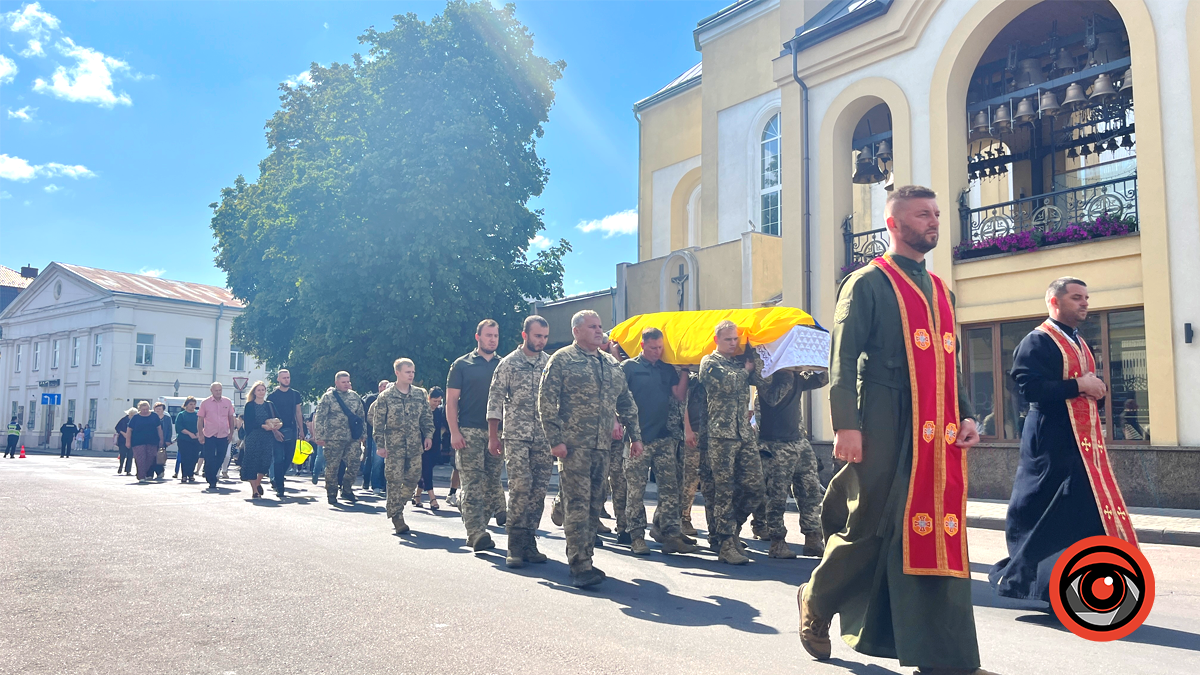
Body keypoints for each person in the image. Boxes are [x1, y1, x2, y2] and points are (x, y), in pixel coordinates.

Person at [798, 185, 994, 675]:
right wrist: (846, 426)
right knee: (871, 523)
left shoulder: (943, 291)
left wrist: (967, 414)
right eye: (922, 214)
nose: (933, 221)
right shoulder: (866, 282)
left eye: (936, 214)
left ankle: (947, 658)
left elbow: (952, 363)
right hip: (882, 416)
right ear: (894, 224)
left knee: (940, 532)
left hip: (940, 424)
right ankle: (816, 602)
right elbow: (841, 358)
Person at [989, 278, 1137, 604]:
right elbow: (1028, 390)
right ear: (1055, 302)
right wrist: (1080, 386)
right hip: (1049, 443)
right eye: (1076, 298)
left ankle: (1075, 585)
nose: (1085, 303)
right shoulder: (1037, 340)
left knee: (1081, 514)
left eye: (1086, 297)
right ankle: (1027, 580)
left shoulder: (1080, 340)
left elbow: (1084, 387)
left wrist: (1093, 390)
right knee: (1044, 515)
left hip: (1080, 447)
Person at [539, 309, 642, 588]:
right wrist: (555, 441)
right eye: (593, 327)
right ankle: (579, 566)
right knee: (578, 505)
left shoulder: (610, 364)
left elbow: (626, 403)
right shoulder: (562, 360)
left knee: (595, 505)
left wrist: (636, 437)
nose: (599, 331)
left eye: (600, 326)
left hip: (602, 448)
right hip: (573, 448)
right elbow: (546, 402)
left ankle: (587, 557)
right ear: (577, 331)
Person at [620, 327, 695, 555]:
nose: (657, 351)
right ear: (642, 345)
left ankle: (671, 535)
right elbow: (618, 398)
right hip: (637, 439)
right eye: (653, 348)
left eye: (660, 347)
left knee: (670, 490)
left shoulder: (666, 369)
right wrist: (618, 424)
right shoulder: (629, 368)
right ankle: (636, 536)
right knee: (636, 491)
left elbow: (679, 395)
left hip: (663, 438)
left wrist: (684, 370)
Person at [699, 320, 768, 565]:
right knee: (724, 490)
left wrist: (754, 357)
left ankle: (730, 530)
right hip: (721, 437)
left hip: (744, 435)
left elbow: (762, 380)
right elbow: (729, 384)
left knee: (755, 487)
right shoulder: (709, 363)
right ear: (717, 340)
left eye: (736, 339)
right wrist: (746, 369)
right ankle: (726, 543)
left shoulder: (740, 363)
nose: (733, 343)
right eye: (728, 339)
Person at [487, 315, 554, 568]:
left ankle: (529, 541)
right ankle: (514, 545)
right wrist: (493, 436)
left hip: (544, 437)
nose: (542, 341)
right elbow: (494, 400)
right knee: (520, 488)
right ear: (525, 335)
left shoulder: (550, 363)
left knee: (538, 491)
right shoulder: (508, 363)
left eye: (545, 337)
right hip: (515, 436)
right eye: (538, 336)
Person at [750, 368, 829, 558]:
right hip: (775, 444)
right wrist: (788, 371)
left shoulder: (797, 378)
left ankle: (812, 538)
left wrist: (818, 363)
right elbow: (773, 398)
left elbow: (822, 379)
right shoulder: (767, 376)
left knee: (810, 491)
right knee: (776, 496)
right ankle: (777, 542)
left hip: (799, 442)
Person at [447, 319, 505, 550]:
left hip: (497, 432)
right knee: (472, 482)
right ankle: (476, 532)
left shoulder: (504, 365)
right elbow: (451, 401)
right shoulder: (462, 365)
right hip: (469, 431)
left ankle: (477, 523)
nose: (492, 339)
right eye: (488, 335)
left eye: (496, 335)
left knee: (492, 484)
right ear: (478, 337)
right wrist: (454, 432)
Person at [372, 358, 434, 533]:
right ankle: (397, 517)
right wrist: (380, 445)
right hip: (394, 446)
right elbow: (378, 424)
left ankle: (395, 506)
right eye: (408, 372)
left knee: (413, 477)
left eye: (413, 372)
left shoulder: (420, 394)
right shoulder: (385, 397)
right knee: (394, 481)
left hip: (415, 445)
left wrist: (428, 435)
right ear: (397, 373)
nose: (411, 375)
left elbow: (426, 418)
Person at [313, 371, 367, 506]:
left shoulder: (355, 397)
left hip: (352, 437)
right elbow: (320, 417)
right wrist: (319, 435)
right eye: (343, 382)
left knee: (355, 463)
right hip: (333, 438)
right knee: (332, 467)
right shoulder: (328, 397)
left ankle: (347, 489)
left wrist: (363, 434)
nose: (347, 384)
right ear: (336, 383)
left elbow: (361, 417)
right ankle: (331, 493)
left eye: (348, 381)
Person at [267, 369, 306, 499]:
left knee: (289, 459)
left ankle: (277, 478)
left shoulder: (295, 395)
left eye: (288, 377)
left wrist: (301, 430)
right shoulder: (272, 396)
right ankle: (280, 487)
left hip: (292, 430)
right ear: (278, 379)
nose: (286, 380)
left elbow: (298, 413)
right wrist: (275, 431)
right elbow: (270, 416)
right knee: (278, 458)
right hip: (277, 431)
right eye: (284, 378)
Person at [241, 381, 283, 500]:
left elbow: (278, 417)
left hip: (267, 437)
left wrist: (278, 425)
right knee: (252, 462)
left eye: (263, 390)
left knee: (265, 462)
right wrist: (262, 426)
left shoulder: (269, 404)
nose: (261, 392)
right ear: (254, 392)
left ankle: (258, 482)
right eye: (259, 390)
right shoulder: (250, 405)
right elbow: (249, 423)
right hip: (253, 436)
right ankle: (254, 490)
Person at [197, 382, 237, 493]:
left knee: (221, 457)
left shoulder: (227, 402)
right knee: (209, 458)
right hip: (209, 434)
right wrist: (200, 434)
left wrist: (231, 432)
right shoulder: (205, 403)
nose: (218, 392)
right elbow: (200, 420)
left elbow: (231, 418)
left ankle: (211, 473)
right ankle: (212, 479)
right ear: (211, 391)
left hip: (223, 434)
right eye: (216, 390)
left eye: (220, 390)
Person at [413, 386, 447, 506]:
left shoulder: (439, 411)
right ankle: (432, 498)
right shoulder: (422, 410)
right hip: (422, 444)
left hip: (436, 444)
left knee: (427, 470)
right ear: (429, 398)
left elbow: (442, 427)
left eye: (439, 401)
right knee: (427, 471)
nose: (437, 404)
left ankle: (417, 495)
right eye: (435, 401)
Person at [124, 401, 164, 483]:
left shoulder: (154, 416)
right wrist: (128, 442)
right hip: (138, 441)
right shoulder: (135, 417)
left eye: (146, 409)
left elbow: (159, 428)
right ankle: (141, 476)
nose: (145, 411)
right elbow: (129, 429)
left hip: (152, 441)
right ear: (139, 409)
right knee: (140, 458)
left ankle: (143, 473)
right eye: (143, 409)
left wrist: (161, 439)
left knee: (150, 458)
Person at [361, 379, 389, 492]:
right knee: (377, 460)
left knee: (390, 462)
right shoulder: (376, 401)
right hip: (378, 435)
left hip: (394, 436)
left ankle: (386, 486)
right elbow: (369, 416)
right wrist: (378, 427)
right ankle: (375, 485)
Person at [175, 397, 201, 483]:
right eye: (191, 404)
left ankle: (191, 474)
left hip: (196, 439)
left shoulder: (198, 414)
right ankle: (184, 475)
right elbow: (179, 427)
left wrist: (199, 433)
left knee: (194, 457)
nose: (193, 406)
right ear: (186, 405)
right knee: (185, 457)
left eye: (194, 404)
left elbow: (203, 424)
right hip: (184, 439)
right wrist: (189, 433)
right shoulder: (182, 415)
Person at [153, 402, 174, 479]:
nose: (158, 410)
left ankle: (160, 472)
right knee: (152, 457)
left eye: (159, 409)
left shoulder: (167, 418)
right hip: (153, 440)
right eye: (156, 409)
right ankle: (151, 472)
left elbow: (169, 429)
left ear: (163, 410)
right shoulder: (152, 417)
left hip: (163, 440)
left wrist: (168, 440)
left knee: (160, 456)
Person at [115, 409, 136, 475]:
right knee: (122, 454)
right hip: (122, 440)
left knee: (130, 455)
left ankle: (128, 470)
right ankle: (121, 466)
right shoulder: (123, 420)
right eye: (131, 414)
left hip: (132, 440)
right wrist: (123, 433)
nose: (132, 416)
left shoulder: (135, 420)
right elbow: (117, 428)